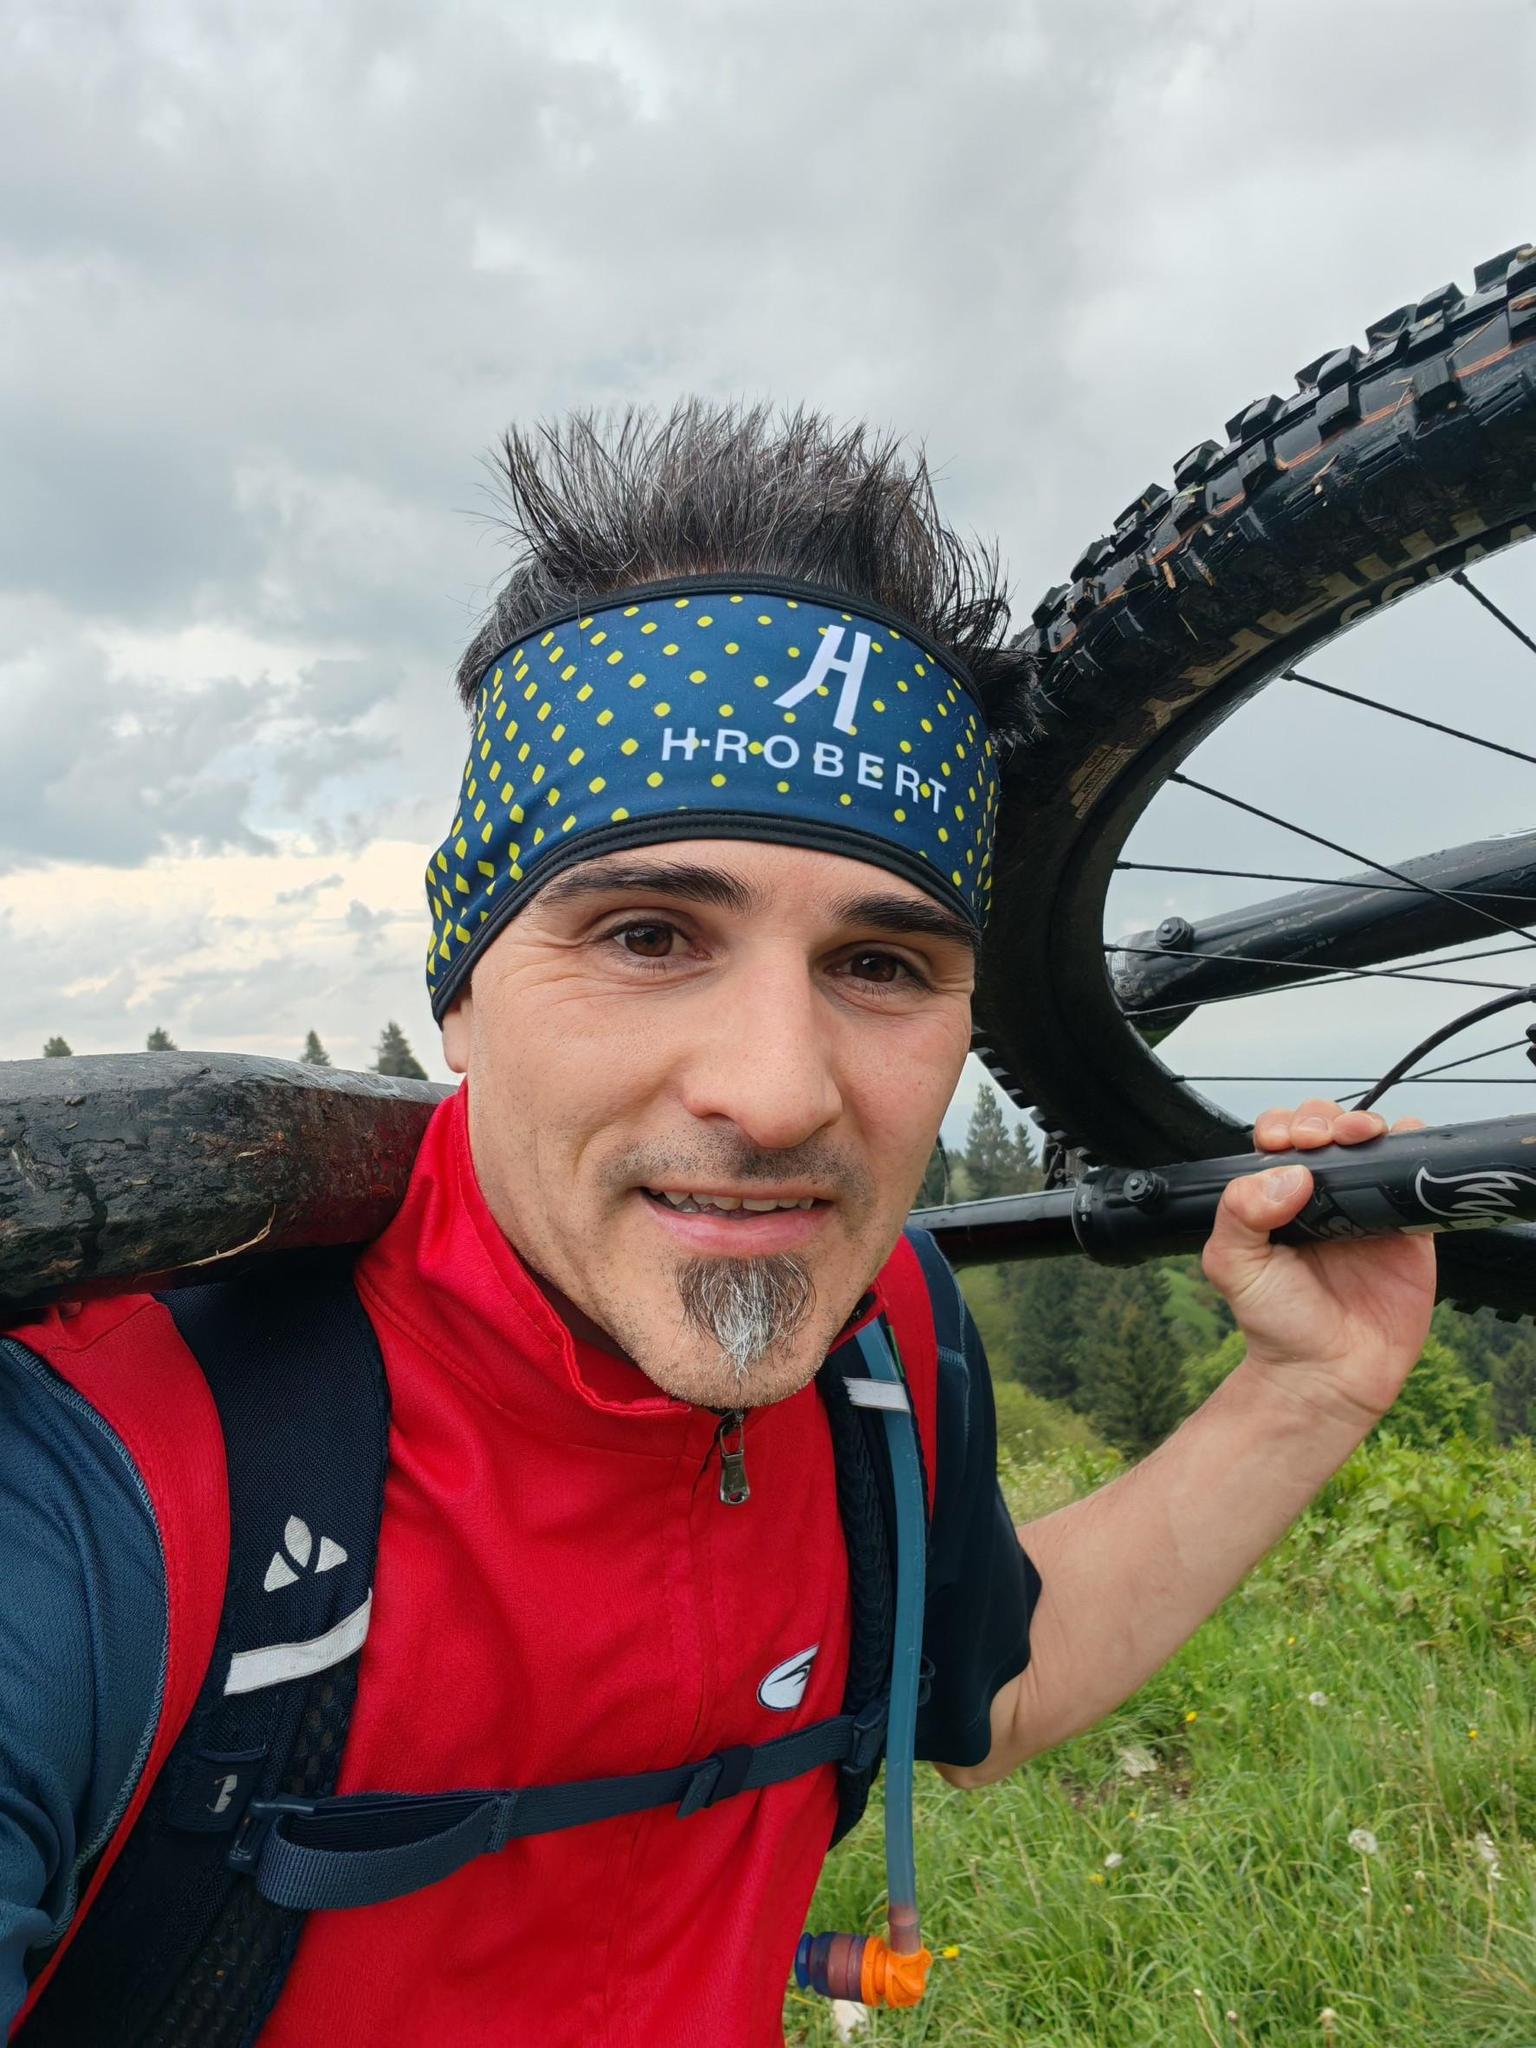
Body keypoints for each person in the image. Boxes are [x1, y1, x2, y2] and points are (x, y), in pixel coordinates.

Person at [0, 404, 1436, 2046]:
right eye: (648, 935)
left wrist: (1304, 1388)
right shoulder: (104, 1468)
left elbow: (989, 1688)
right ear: (461, 994)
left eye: (880, 965)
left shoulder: (883, 1340)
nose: (776, 1094)